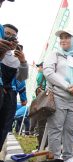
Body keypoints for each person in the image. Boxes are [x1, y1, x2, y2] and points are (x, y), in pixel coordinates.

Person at [43, 29, 73, 162]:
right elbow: (48, 72)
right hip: (57, 96)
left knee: (70, 129)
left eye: (67, 37)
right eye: (61, 37)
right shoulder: (54, 55)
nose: (63, 40)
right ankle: (57, 159)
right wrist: (68, 86)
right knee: (55, 128)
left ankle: (68, 158)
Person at [0, 24, 28, 153]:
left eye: (12, 35)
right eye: (7, 33)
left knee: (5, 125)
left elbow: (22, 78)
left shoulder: (15, 57)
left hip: (10, 94)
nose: (9, 37)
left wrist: (23, 61)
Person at [29, 62, 47, 149]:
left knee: (41, 124)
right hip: (50, 101)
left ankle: (41, 145)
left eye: (39, 67)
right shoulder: (51, 75)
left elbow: (39, 86)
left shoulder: (41, 74)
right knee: (48, 124)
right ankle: (46, 144)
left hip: (42, 101)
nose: (38, 69)